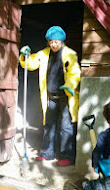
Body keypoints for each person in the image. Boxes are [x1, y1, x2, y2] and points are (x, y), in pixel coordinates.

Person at [19, 26, 81, 166]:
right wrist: (25, 55)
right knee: (49, 125)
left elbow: (74, 72)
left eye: (56, 41)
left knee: (66, 127)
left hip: (66, 96)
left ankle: (67, 156)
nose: (53, 44)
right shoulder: (44, 54)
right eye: (51, 41)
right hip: (51, 96)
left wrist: (70, 86)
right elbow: (31, 63)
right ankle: (47, 153)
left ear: (61, 41)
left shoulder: (69, 54)